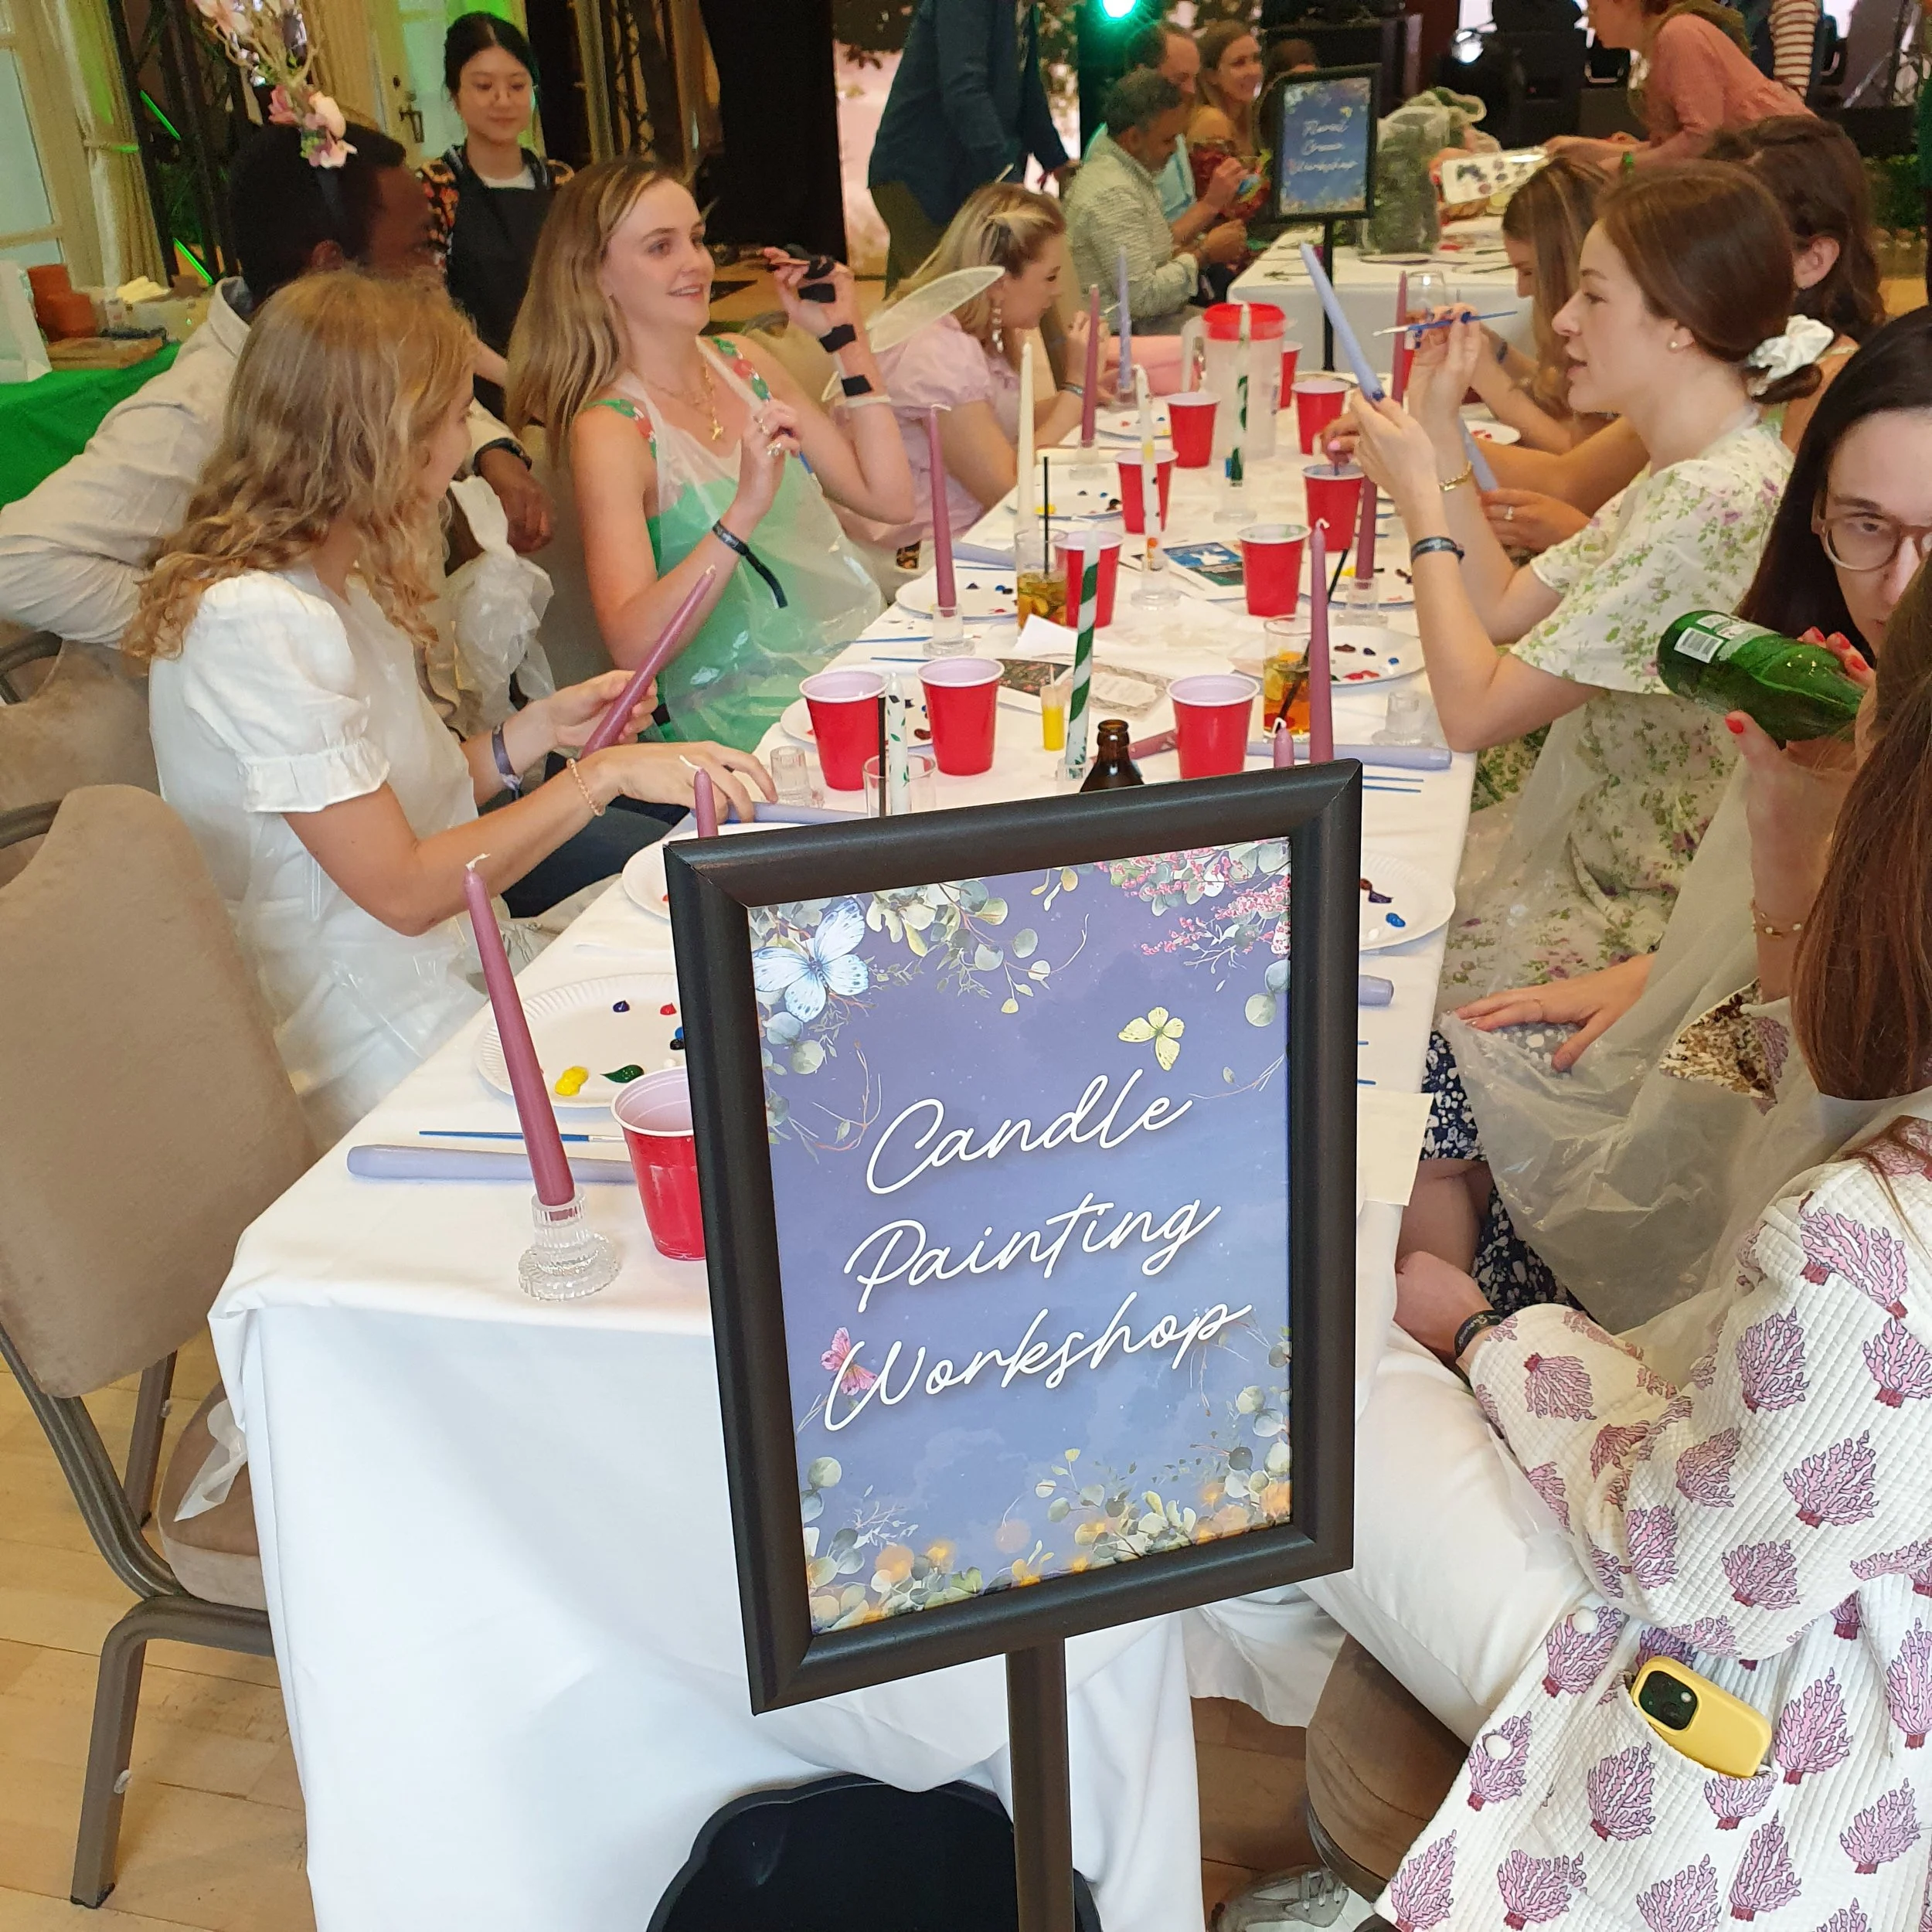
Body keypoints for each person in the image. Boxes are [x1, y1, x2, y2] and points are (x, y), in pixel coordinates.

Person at [1294, 566, 1932, 1932]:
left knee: (1312, 1357)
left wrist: (1488, 1338)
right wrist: (1779, 849)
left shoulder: (1868, 1240)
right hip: (1774, 1433)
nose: (1883, 577)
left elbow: (1697, 1564)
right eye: (1861, 525)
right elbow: (1778, 1060)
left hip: (1817, 1723)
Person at [125, 272, 770, 1145]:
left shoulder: (326, 581)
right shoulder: (257, 619)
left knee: (719, 1010)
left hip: (450, 956)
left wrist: (531, 736)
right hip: (361, 1025)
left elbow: (405, 797)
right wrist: (604, 774)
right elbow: (403, 888)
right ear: (377, 437)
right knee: (696, 1078)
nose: (464, 442)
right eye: (452, 417)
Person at [1413, 311, 1932, 1324]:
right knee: (1437, 1074)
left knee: (1428, 1100)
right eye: (1865, 527)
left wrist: (1788, 843)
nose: (1900, 585)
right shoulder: (1849, 685)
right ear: (1814, 515)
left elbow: (1844, 1087)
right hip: (1741, 1040)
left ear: (1685, 324)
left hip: (1812, 1207)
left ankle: (1463, 1356)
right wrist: (1664, 973)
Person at [1345, 165, 1822, 1013]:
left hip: (1640, 910)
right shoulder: (1693, 464)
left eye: (1593, 298)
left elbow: (1473, 712)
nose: (1562, 321)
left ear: (1678, 322)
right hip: (1602, 855)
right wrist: (1443, 431)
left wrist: (1420, 498)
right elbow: (1499, 607)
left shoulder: (1710, 496)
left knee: (1358, 991)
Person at [0, 119, 552, 648]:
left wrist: (490, 450)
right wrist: (224, 631)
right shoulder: (198, 409)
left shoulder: (358, 358)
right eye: (416, 251)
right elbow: (18, 562)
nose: (435, 271)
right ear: (330, 268)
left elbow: (423, 394)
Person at [510, 158, 912, 751]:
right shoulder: (611, 429)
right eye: (659, 247)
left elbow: (890, 499)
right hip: (736, 723)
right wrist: (742, 511)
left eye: (696, 239)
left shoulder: (745, 362)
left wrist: (845, 337)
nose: (695, 264)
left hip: (849, 668)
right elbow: (633, 644)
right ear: (597, 275)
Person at [865, 185, 1098, 556]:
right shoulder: (935, 352)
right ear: (1001, 283)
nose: (1056, 293)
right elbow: (1008, 490)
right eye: (1050, 278)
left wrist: (1076, 400)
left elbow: (993, 425)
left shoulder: (971, 331)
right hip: (933, 555)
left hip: (977, 529)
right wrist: (1075, 391)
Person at [418, 12, 572, 420]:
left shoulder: (561, 183)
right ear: (454, 94)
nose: (503, 100)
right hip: (475, 400)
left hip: (566, 387)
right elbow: (430, 311)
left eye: (518, 85)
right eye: (483, 86)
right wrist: (517, 382)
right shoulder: (436, 187)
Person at [1709, 116, 1886, 451]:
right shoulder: (1719, 353)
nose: (1698, 262)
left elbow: (1771, 502)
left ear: (1812, 261)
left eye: (1734, 243)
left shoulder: (1833, 386)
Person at [866, 0, 1070, 291]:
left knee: (909, 316)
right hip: (923, 179)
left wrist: (1058, 163)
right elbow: (964, 92)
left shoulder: (1023, 9)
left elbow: (1028, 95)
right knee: (951, 311)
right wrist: (1007, 179)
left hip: (953, 184)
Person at [1065, 72, 1246, 339]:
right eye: (1167, 139)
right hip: (1123, 341)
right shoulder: (1113, 192)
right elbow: (1142, 298)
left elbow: (1150, 256)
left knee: (1244, 327)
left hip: (1147, 326)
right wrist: (1204, 254)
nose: (1175, 149)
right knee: (1242, 338)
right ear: (1133, 138)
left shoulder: (1125, 172)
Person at [1546, 0, 1810, 168]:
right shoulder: (1663, 42)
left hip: (1793, 174)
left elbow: (1702, 142)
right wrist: (1592, 151)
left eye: (1594, 8)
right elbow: (1673, 148)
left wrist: (1620, 165)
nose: (1590, 22)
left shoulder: (1679, 33)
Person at [1084, 21, 1249, 256]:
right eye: (1180, 79)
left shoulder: (1169, 126)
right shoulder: (1119, 146)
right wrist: (1210, 209)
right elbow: (1143, 256)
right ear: (1141, 74)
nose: (1192, 90)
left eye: (1194, 78)